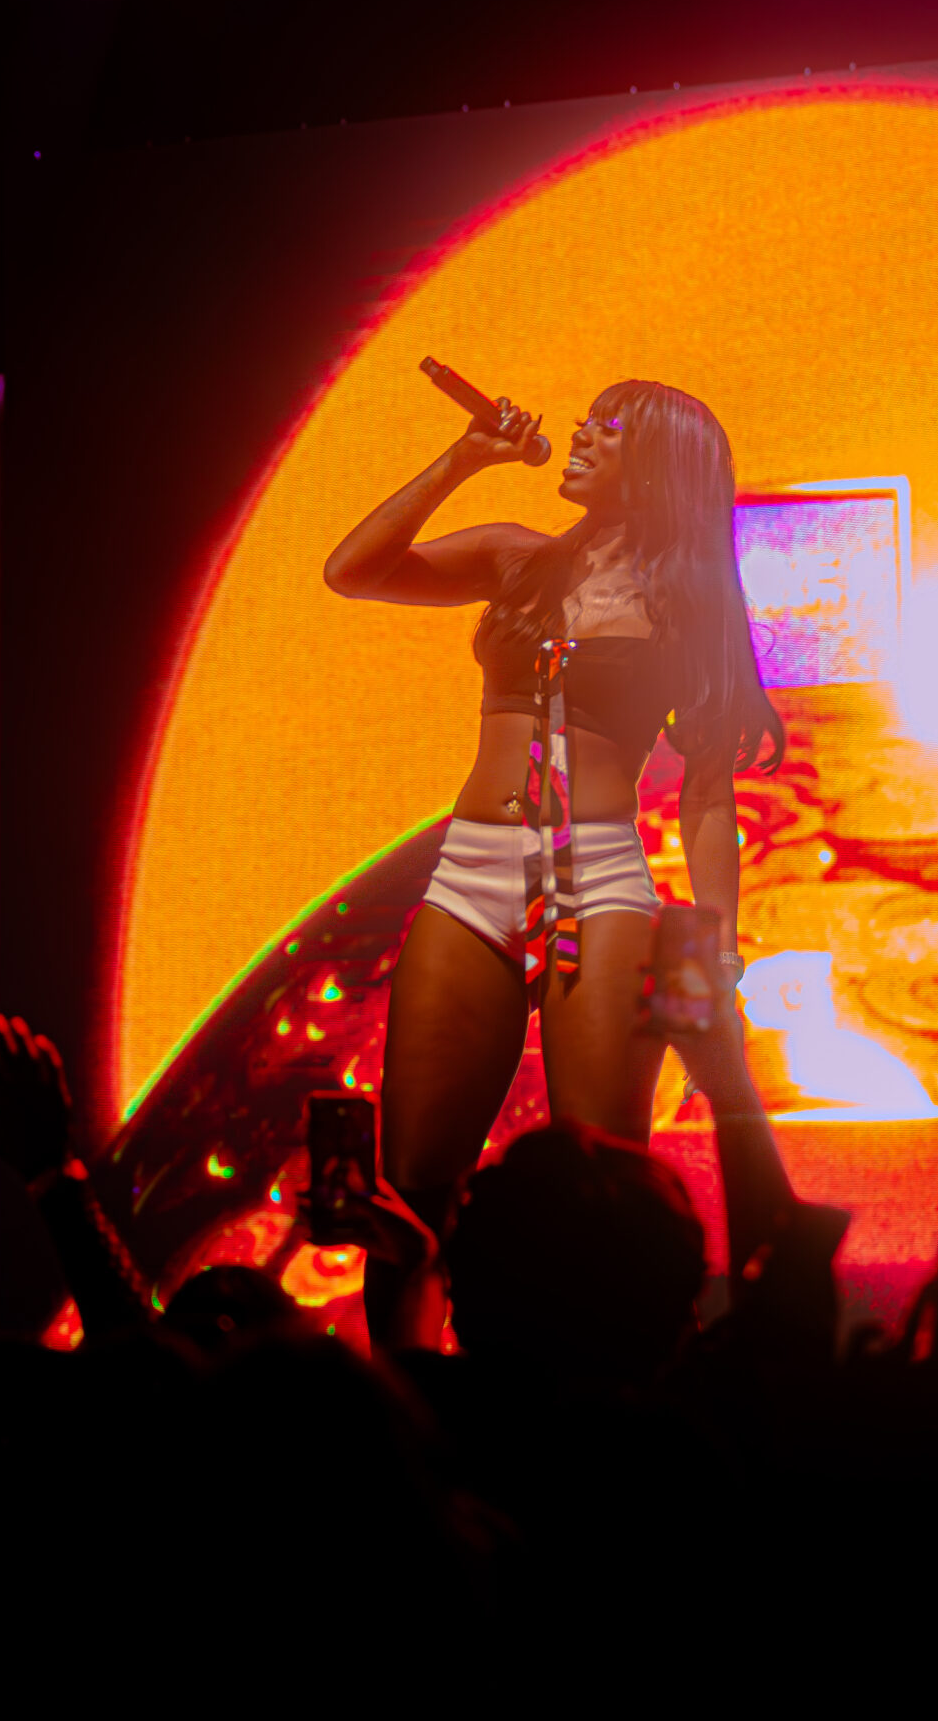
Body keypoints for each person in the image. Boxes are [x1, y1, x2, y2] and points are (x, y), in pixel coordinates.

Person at [323, 379, 784, 1261]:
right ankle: (428, 1348)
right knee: (411, 1185)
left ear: (658, 466)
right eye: (583, 423)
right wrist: (465, 458)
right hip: (471, 873)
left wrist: (716, 967)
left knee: (603, 1184)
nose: (578, 436)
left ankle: (614, 1341)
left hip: (599, 879)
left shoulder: (691, 608)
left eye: (606, 429)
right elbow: (352, 571)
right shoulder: (513, 558)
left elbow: (707, 797)